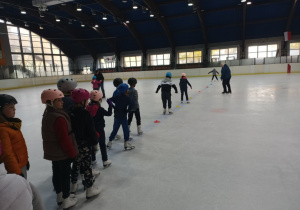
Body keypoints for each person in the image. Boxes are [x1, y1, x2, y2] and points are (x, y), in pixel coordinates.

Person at [41, 89, 78, 209]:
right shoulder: (58, 118)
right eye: (59, 100)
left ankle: (59, 196)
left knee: (56, 173)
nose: (62, 102)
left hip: (54, 152)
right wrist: (72, 153)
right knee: (65, 175)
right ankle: (66, 199)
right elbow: (64, 139)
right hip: (62, 153)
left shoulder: (47, 114)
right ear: (50, 102)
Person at [69, 88, 101, 198]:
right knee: (86, 166)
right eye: (86, 100)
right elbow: (91, 130)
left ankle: (73, 185)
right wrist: (95, 143)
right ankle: (89, 189)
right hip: (84, 144)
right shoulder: (85, 113)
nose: (87, 102)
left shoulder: (70, 111)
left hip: (73, 144)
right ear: (82, 101)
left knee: (76, 164)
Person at [0, 94, 30, 179]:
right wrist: (16, 172)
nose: (14, 109)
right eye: (10, 107)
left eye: (14, 107)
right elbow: (7, 154)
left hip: (20, 164)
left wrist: (25, 160)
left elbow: (18, 146)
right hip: (15, 169)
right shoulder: (2, 130)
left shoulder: (10, 124)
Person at [86, 90, 112, 168]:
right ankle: (105, 160)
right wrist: (110, 105)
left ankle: (93, 160)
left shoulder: (87, 107)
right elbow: (109, 114)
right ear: (99, 99)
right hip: (99, 129)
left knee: (92, 144)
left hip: (90, 129)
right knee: (102, 145)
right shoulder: (99, 109)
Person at [106, 84, 135, 150]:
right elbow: (132, 105)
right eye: (127, 89)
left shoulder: (117, 96)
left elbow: (108, 100)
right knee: (126, 130)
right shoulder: (127, 98)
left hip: (117, 116)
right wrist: (127, 110)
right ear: (125, 90)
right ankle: (126, 142)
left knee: (115, 129)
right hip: (123, 117)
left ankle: (110, 142)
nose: (128, 90)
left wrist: (113, 107)